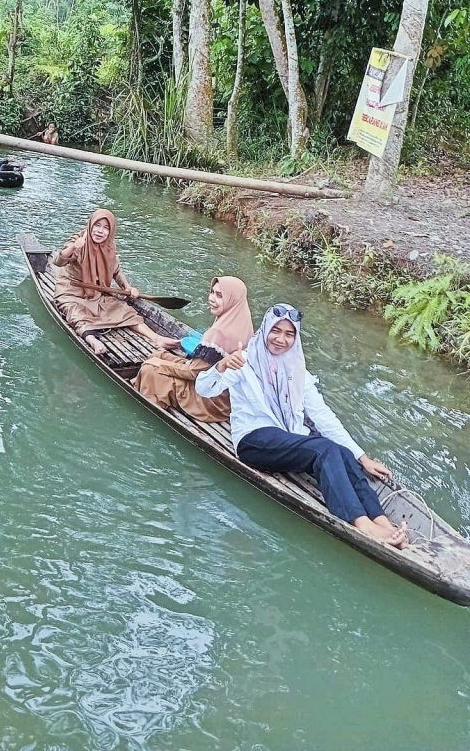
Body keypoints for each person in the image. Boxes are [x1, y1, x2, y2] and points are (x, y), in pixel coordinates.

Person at [196, 304, 409, 547]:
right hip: (253, 441)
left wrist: (363, 457)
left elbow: (323, 416)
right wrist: (221, 366)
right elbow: (204, 389)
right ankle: (362, 524)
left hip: (287, 439)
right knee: (324, 449)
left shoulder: (297, 369)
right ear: (265, 329)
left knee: (342, 452)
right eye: (276, 331)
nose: (281, 340)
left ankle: (380, 521)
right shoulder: (243, 361)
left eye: (289, 334)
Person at [53, 209, 179, 357]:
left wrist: (127, 287)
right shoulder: (79, 240)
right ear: (90, 225)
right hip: (72, 292)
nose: (100, 231)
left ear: (111, 230)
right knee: (75, 313)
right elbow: (58, 261)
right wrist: (75, 246)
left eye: (106, 228)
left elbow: (116, 271)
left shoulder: (109, 246)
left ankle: (156, 338)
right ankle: (92, 340)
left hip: (96, 293)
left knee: (124, 309)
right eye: (97, 226)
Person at [133, 276, 253, 422]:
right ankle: (139, 384)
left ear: (232, 299)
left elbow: (194, 372)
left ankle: (150, 407)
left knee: (149, 369)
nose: (212, 298)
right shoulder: (243, 322)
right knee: (159, 354)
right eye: (212, 292)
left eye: (219, 295)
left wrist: (160, 365)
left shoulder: (218, 333)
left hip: (209, 401)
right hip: (226, 400)